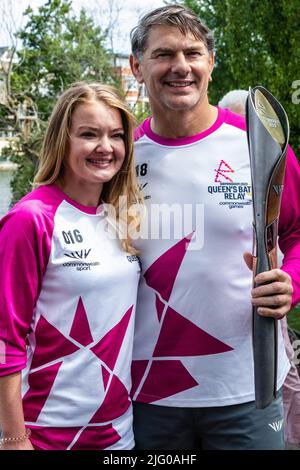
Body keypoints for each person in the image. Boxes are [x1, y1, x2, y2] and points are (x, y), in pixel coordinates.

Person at [129, 5, 300, 450]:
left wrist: (291, 282)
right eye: (164, 54)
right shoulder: (117, 157)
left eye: (193, 52)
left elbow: (296, 234)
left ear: (211, 62)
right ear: (136, 66)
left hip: (248, 386)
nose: (180, 66)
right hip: (144, 392)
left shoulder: (258, 145)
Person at [0, 82, 142, 450]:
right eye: (88, 134)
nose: (105, 147)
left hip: (118, 434)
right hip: (45, 434)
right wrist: (14, 438)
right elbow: (5, 339)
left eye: (115, 135)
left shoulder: (123, 217)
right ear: (62, 141)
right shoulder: (31, 219)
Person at [218, 89, 300, 448]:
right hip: (165, 393)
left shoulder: (278, 158)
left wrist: (291, 282)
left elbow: (296, 231)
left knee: (288, 379)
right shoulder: (136, 148)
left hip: (265, 314)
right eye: (239, 121)